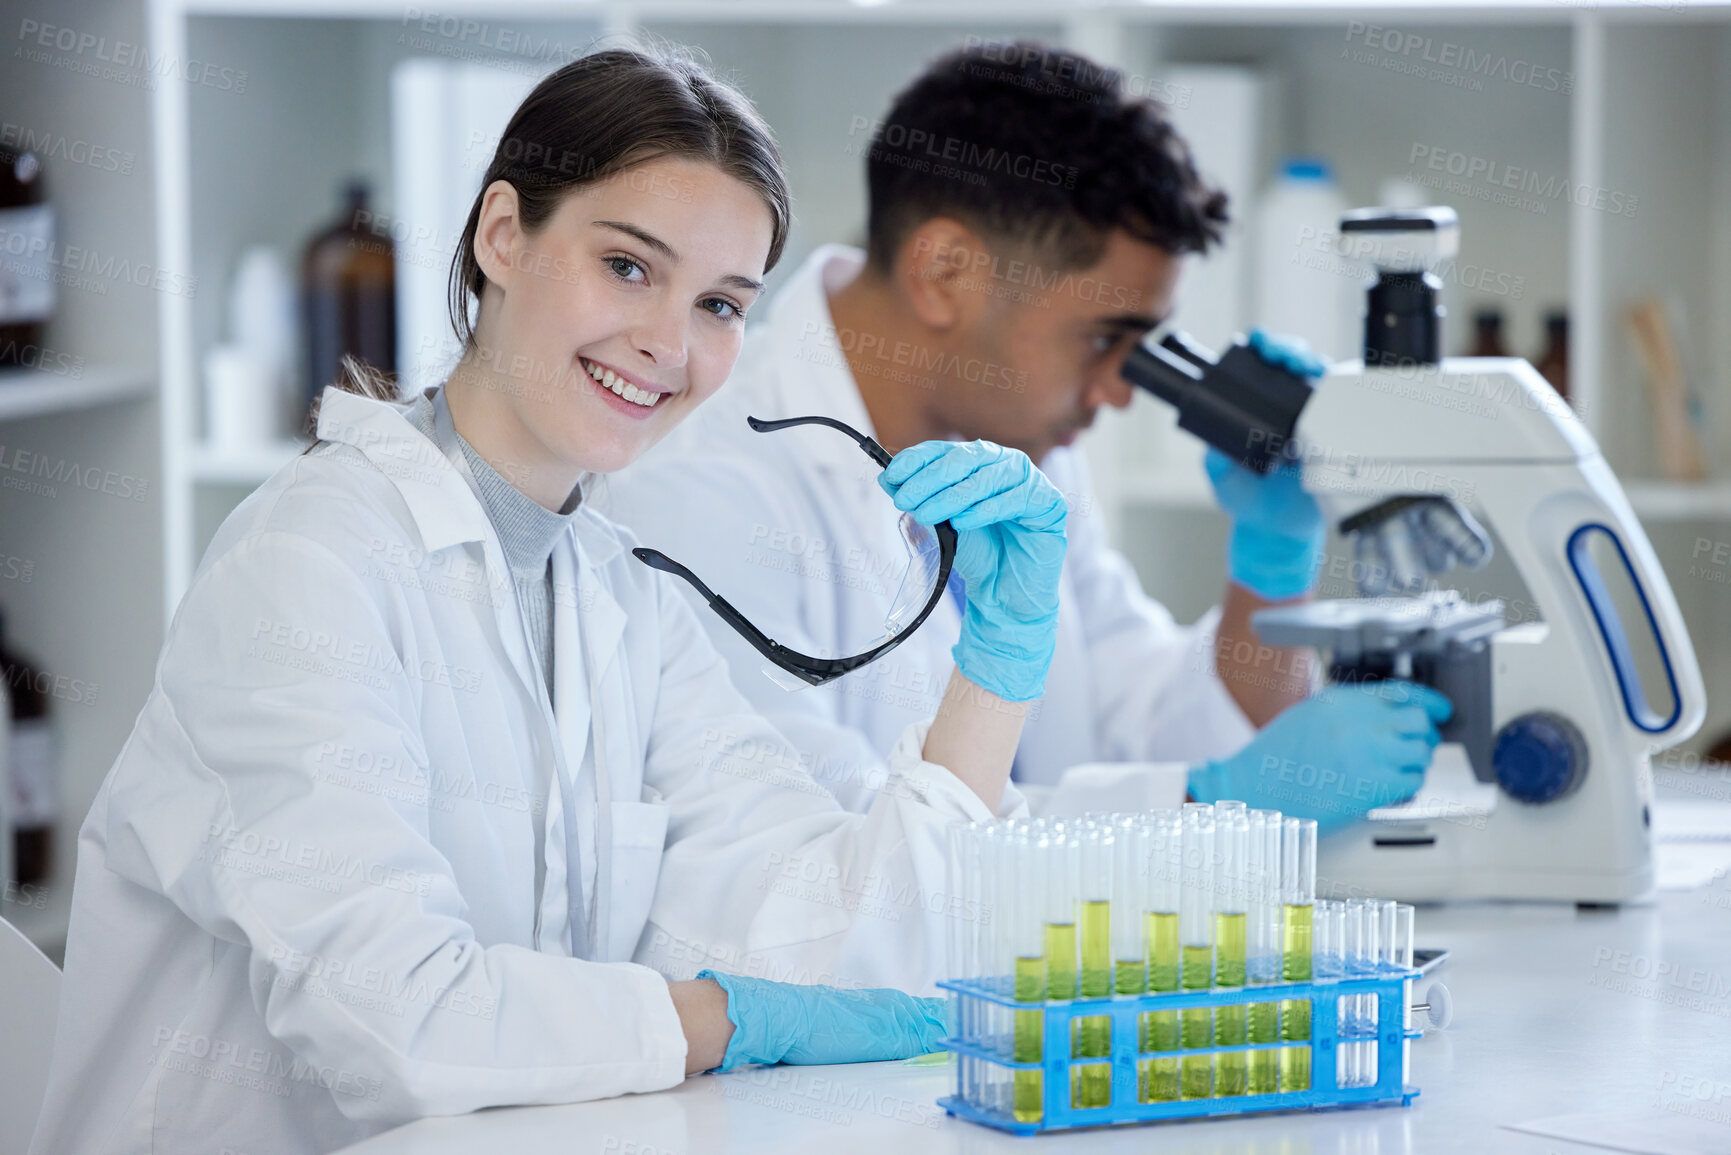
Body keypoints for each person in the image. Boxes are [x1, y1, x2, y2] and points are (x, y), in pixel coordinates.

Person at [29, 49, 1069, 1155]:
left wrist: (996, 669)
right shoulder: (307, 568)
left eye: (720, 303)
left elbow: (840, 940)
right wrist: (726, 1020)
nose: (669, 343)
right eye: (628, 266)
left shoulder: (627, 602)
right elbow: (402, 1025)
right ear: (502, 236)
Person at [604, 40, 1451, 828]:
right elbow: (850, 858)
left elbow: (1154, 724)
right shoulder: (703, 489)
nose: (1121, 392)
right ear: (945, 273)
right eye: (1102, 339)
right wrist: (1202, 801)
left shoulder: (1016, 452)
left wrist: (1268, 564)